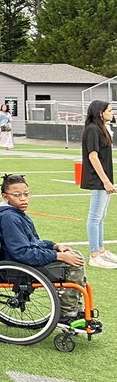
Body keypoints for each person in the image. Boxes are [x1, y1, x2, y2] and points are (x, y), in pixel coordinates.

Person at [0, 174, 92, 323]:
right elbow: (21, 252)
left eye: (26, 194)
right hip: (16, 267)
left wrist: (55, 246)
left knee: (74, 255)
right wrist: (58, 256)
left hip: (20, 262)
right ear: (5, 196)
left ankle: (73, 307)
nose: (23, 198)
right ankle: (66, 312)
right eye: (17, 195)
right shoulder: (10, 218)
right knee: (74, 264)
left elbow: (34, 242)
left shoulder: (16, 214)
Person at [80, 99, 117, 269]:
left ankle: (101, 250)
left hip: (103, 179)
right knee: (95, 217)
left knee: (100, 216)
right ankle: (94, 254)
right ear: (100, 113)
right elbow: (93, 156)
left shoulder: (101, 129)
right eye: (110, 110)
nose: (112, 113)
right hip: (97, 180)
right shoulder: (93, 130)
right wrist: (105, 180)